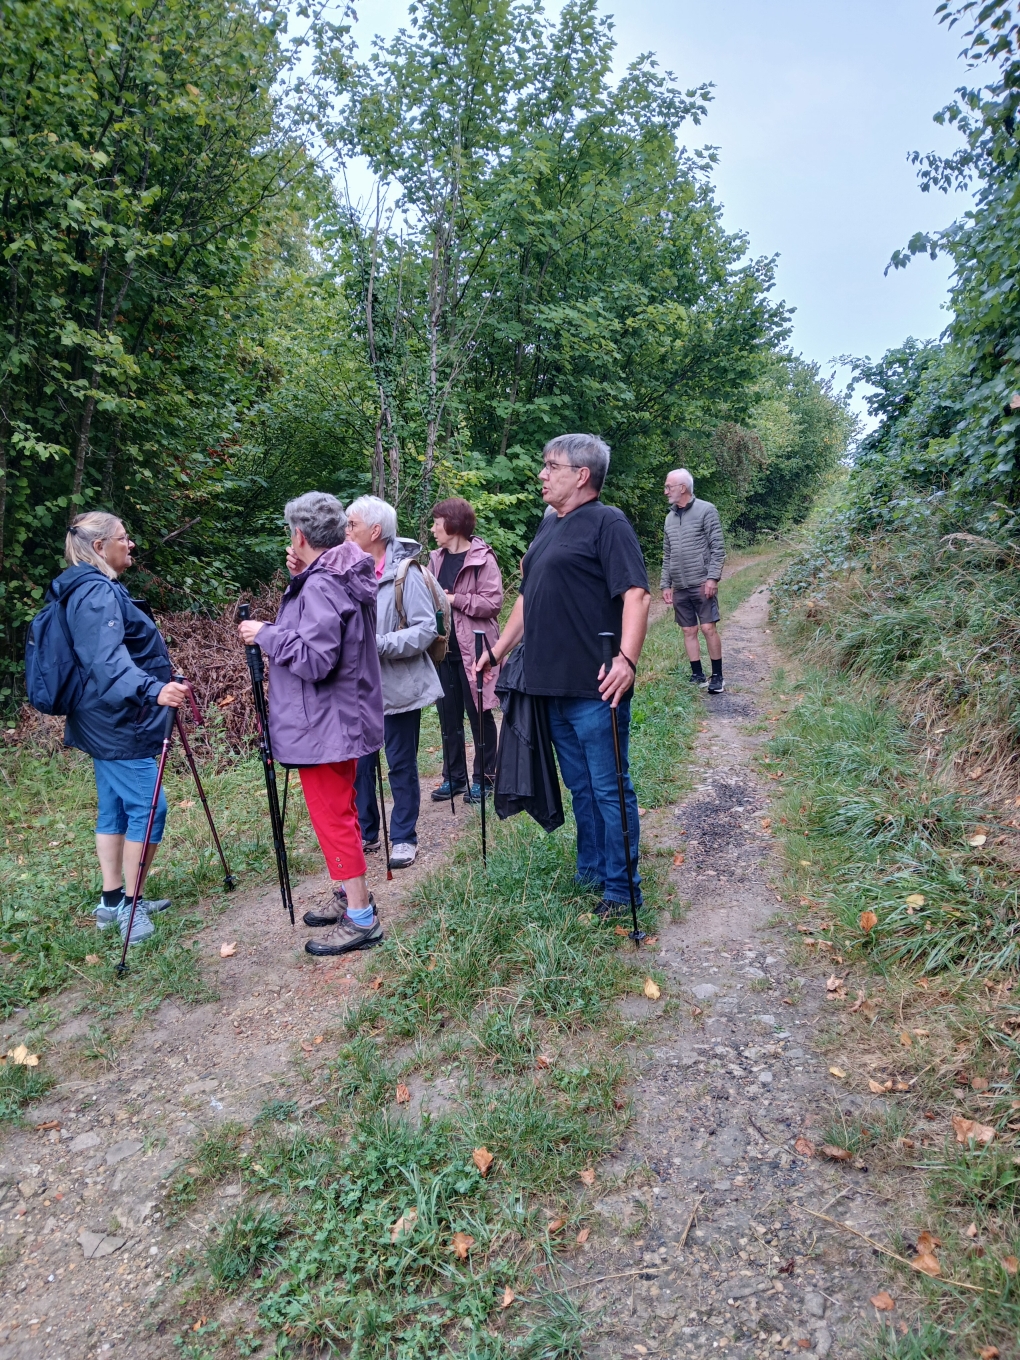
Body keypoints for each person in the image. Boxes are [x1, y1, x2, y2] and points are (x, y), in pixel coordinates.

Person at [476, 434, 650, 920]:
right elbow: (528, 597)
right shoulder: (549, 523)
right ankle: (592, 870)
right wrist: (497, 649)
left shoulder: (608, 523)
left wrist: (626, 660)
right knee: (580, 786)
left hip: (595, 686)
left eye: (551, 466)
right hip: (548, 685)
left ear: (582, 475)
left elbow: (636, 595)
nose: (542, 474)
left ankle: (623, 889)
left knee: (609, 787)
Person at [236, 492, 386, 956]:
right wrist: (301, 576)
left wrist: (265, 634)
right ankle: (350, 895)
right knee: (342, 810)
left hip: (323, 723)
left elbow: (316, 659)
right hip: (338, 718)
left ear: (299, 535)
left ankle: (361, 918)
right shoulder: (337, 574)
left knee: (332, 816)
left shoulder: (323, 584)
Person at [49, 511, 188, 945]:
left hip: (102, 715)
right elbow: (106, 662)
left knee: (115, 807)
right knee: (150, 807)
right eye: (122, 538)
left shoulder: (86, 587)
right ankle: (131, 905)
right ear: (99, 547)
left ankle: (112, 902)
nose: (130, 544)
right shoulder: (95, 592)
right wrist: (154, 690)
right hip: (116, 718)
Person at [345, 495, 444, 869]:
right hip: (358, 689)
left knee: (400, 763)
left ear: (375, 531)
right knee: (359, 766)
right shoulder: (349, 570)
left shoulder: (406, 573)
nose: (346, 530)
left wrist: (379, 644)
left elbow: (426, 629)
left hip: (398, 686)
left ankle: (403, 837)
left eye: (352, 524)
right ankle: (367, 831)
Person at [428, 497, 503, 804]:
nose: (433, 529)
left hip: (476, 651)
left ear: (453, 524)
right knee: (448, 717)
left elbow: (492, 603)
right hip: (443, 651)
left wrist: (454, 599)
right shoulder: (435, 560)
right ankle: (454, 778)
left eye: (437, 523)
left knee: (479, 715)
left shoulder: (482, 558)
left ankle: (485, 779)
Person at [660, 468, 726, 693]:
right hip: (680, 586)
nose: (666, 491)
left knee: (708, 628)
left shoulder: (706, 510)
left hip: (701, 583)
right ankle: (697, 674)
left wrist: (712, 578)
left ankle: (717, 676)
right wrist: (665, 584)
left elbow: (718, 548)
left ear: (682, 488)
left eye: (668, 487)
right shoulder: (669, 518)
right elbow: (667, 554)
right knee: (688, 630)